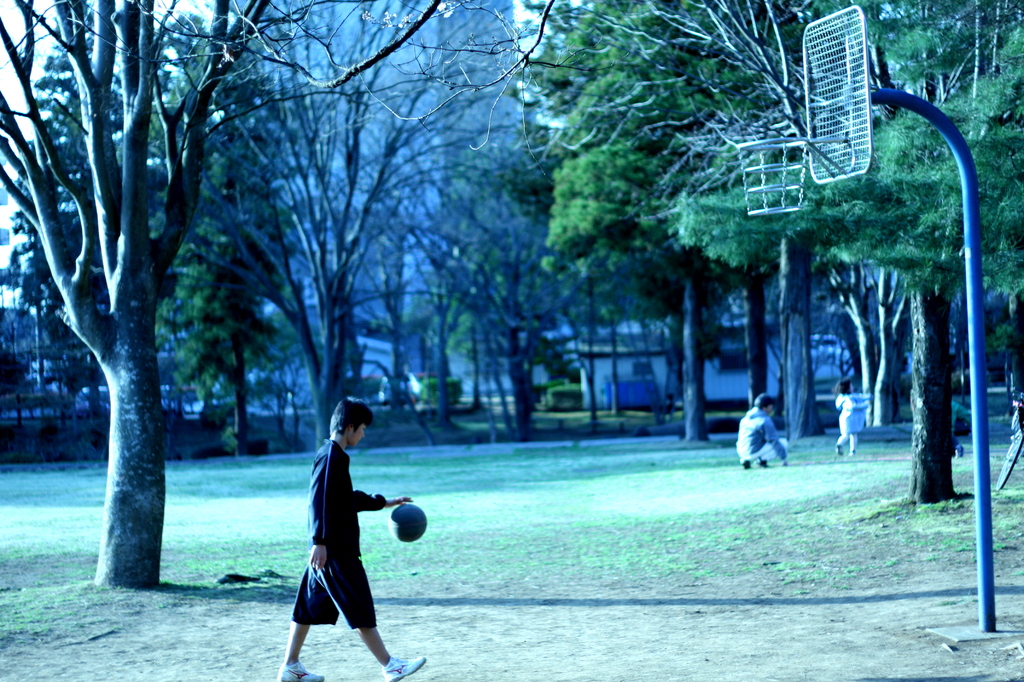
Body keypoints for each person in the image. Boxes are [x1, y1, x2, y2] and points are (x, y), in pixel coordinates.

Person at [279, 398, 426, 682]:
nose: (363, 434)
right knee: (358, 606)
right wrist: (319, 541)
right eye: (362, 429)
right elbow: (317, 500)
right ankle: (390, 665)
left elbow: (345, 499)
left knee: (307, 608)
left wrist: (385, 502)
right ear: (349, 427)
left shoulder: (332, 455)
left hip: (326, 551)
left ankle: (291, 666)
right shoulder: (331, 456)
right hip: (335, 551)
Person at [737, 393, 788, 468]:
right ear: (764, 407)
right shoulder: (764, 420)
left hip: (741, 450)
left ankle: (745, 459)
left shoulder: (745, 419)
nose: (772, 407)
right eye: (771, 405)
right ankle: (761, 460)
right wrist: (783, 459)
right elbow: (773, 440)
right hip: (753, 451)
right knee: (784, 442)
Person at [834, 379, 871, 456]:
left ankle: (839, 444)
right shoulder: (848, 399)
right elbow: (853, 406)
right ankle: (851, 450)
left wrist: (868, 396)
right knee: (852, 434)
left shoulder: (841, 398)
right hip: (850, 419)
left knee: (845, 434)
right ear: (847, 388)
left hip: (843, 418)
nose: (852, 387)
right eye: (851, 386)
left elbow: (860, 396)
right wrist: (865, 405)